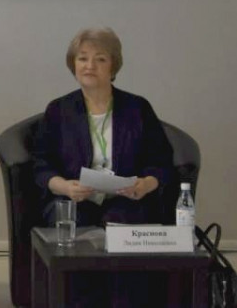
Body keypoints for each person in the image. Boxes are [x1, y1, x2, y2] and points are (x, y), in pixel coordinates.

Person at [33, 27, 175, 308]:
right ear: (73, 64)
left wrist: (145, 184)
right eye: (82, 58)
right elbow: (40, 164)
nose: (89, 66)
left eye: (100, 59)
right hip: (76, 198)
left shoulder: (137, 108)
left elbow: (162, 161)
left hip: (126, 198)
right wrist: (64, 186)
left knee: (122, 221)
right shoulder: (59, 110)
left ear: (113, 66)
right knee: (76, 222)